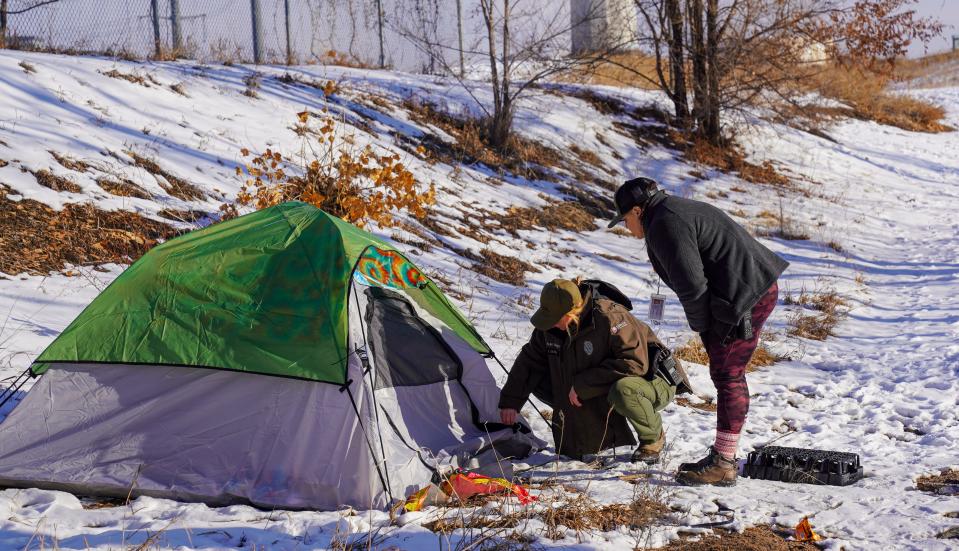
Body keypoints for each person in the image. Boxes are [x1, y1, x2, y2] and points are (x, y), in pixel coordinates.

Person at [607, 176, 788, 486]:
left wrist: (704, 330)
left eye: (625, 220)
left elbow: (693, 288)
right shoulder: (670, 212)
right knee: (726, 373)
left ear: (637, 211)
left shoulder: (666, 224)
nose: (626, 228)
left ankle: (723, 463)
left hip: (745, 295)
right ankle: (723, 458)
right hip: (745, 289)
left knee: (728, 375)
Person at [498, 278, 691, 464]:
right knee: (546, 379)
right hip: (612, 378)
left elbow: (634, 363)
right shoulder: (551, 326)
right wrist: (510, 402)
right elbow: (529, 361)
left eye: (555, 319)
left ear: (573, 312)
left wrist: (583, 384)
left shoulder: (611, 317)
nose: (551, 324)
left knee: (624, 390)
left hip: (653, 379)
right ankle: (586, 441)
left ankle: (653, 438)